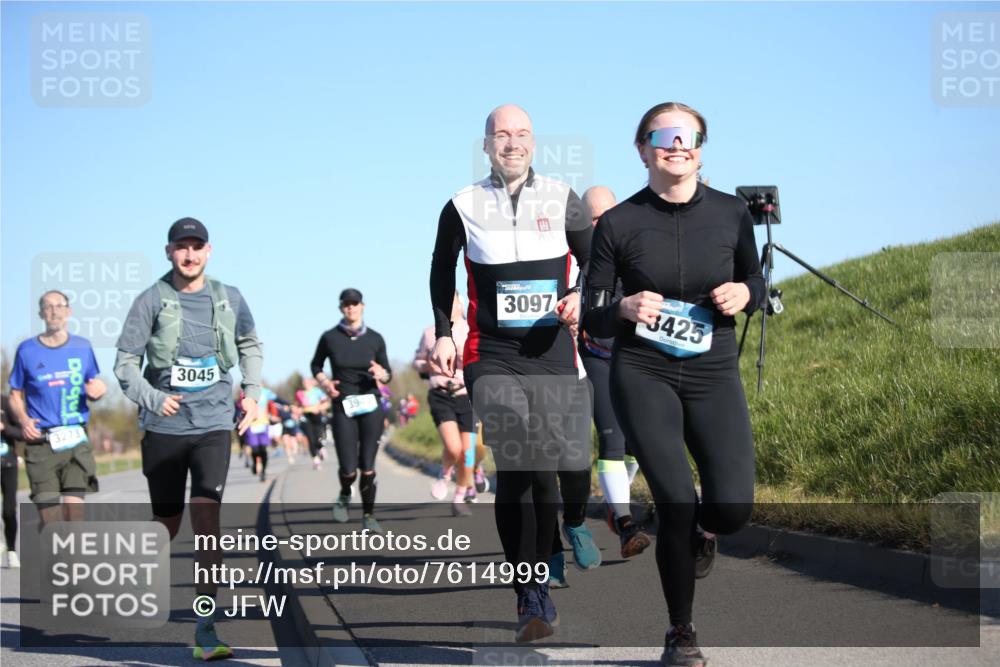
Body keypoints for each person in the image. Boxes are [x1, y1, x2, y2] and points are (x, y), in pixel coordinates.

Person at [582, 102, 764, 666]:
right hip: (645, 371)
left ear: (701, 148)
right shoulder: (618, 224)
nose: (678, 144)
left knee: (731, 508)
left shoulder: (733, 214)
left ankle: (707, 531)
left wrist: (746, 295)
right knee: (677, 501)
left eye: (691, 136)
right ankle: (680, 633)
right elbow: (592, 312)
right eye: (665, 135)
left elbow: (753, 276)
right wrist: (624, 306)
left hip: (711, 368)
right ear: (643, 149)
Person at [430, 104, 592, 642]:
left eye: (521, 134)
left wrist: (577, 295)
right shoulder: (462, 205)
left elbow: (597, 262)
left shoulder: (564, 198)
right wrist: (446, 332)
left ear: (534, 143)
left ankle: (541, 562)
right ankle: (529, 592)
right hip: (489, 352)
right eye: (502, 135)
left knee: (541, 468)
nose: (512, 142)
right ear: (485, 145)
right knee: (518, 451)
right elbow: (439, 269)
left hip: (550, 354)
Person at [115, 217, 262, 661]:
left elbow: (250, 343)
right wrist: (153, 398)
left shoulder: (229, 298)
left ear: (209, 251)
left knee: (207, 523)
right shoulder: (150, 301)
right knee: (168, 524)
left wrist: (252, 393)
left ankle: (205, 628)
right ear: (169, 252)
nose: (190, 254)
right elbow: (125, 362)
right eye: (182, 247)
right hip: (163, 429)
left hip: (214, 424)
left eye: (197, 246)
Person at [579, 185, 651, 558]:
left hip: (635, 355)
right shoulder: (574, 257)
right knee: (612, 439)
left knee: (640, 442)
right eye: (594, 218)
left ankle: (614, 500)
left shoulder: (634, 249)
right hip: (595, 356)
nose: (603, 223)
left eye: (608, 214)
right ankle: (625, 525)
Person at [8, 290, 106, 526]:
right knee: (50, 520)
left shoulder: (82, 347)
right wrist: (23, 420)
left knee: (75, 514)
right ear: (41, 312)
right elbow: (14, 394)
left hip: (75, 440)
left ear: (69, 311)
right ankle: (56, 561)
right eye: (48, 306)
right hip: (41, 444)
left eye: (60, 306)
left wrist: (99, 390)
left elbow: (95, 383)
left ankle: (73, 562)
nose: (54, 311)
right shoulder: (27, 350)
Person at [310, 288, 391, 533]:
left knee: (367, 465)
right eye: (346, 304)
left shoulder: (375, 338)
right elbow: (316, 365)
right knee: (348, 468)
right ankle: (345, 493)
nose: (351, 308)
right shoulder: (329, 337)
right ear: (341, 308)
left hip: (370, 404)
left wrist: (382, 374)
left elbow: (388, 374)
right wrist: (325, 383)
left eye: (355, 304)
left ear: (362, 306)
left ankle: (368, 515)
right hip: (343, 404)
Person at [413, 292, 484, 517]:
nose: (449, 306)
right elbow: (417, 362)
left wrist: (467, 360)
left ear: (461, 304)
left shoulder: (473, 329)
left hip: (467, 394)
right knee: (454, 448)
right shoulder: (429, 332)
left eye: (453, 302)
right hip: (441, 394)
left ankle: (460, 496)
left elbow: (484, 361)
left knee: (469, 453)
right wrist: (428, 364)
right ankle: (444, 474)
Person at [1, 393, 23, 568]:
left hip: (8, 464)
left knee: (8, 510)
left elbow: (21, 432)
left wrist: (4, 428)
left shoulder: (5, 402)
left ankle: (11, 550)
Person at [296, 377, 330, 469]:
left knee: (318, 436)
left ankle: (321, 448)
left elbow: (327, 403)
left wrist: (319, 408)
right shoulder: (300, 393)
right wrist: (298, 411)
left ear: (311, 383)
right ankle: (316, 460)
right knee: (310, 438)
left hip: (317, 416)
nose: (305, 384)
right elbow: (298, 406)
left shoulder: (317, 391)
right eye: (304, 382)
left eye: (307, 382)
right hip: (306, 416)